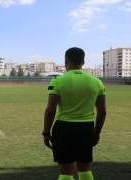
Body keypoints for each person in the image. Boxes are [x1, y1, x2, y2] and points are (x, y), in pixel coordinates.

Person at [43, 47, 106, 180]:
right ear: (83, 62)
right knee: (85, 171)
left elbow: (50, 111)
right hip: (86, 128)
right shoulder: (97, 82)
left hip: (64, 129)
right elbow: (103, 112)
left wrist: (46, 133)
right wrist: (97, 132)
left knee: (65, 173)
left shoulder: (57, 81)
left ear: (66, 61)